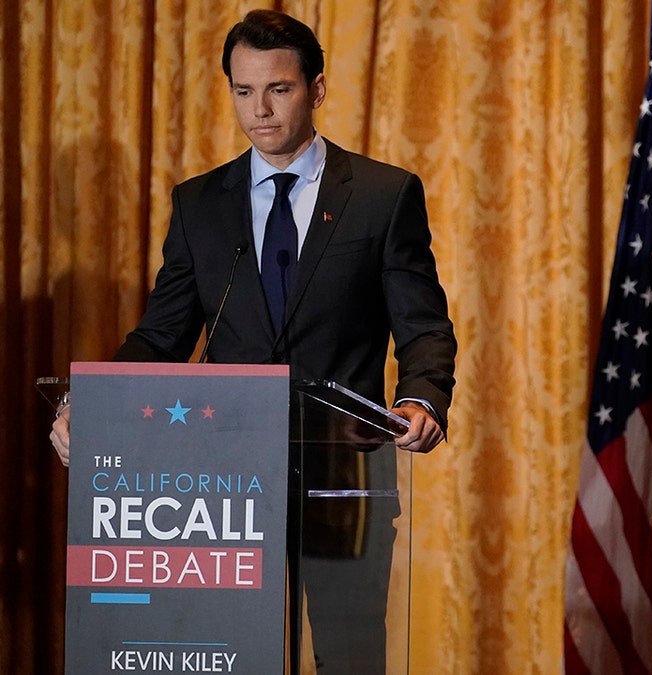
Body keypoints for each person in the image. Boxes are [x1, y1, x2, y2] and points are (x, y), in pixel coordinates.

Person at [49, 9, 456, 672]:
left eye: (279, 89)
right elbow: (162, 335)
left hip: (344, 477)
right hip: (223, 483)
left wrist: (423, 397)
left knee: (350, 658)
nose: (259, 110)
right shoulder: (200, 204)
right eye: (243, 92)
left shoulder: (383, 196)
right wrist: (90, 402)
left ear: (316, 90)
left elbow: (423, 326)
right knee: (233, 657)